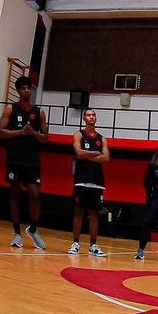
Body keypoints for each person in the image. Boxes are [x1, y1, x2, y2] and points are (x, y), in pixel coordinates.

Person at [0, 76, 47, 249]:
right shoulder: (11, 109)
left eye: (29, 88)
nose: (27, 91)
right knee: (14, 194)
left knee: (35, 193)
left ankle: (33, 229)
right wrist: (20, 132)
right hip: (14, 157)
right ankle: (17, 233)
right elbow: (1, 133)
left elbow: (45, 138)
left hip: (32, 159)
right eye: (24, 88)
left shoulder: (39, 112)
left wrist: (33, 133)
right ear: (18, 91)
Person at [69, 108, 109, 257]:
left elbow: (106, 158)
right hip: (81, 180)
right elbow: (78, 153)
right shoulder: (78, 135)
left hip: (97, 181)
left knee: (94, 214)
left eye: (93, 115)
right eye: (88, 115)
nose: (91, 117)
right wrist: (95, 153)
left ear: (96, 119)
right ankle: (75, 243)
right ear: (84, 118)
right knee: (78, 212)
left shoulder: (102, 138)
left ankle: (93, 245)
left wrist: (87, 155)